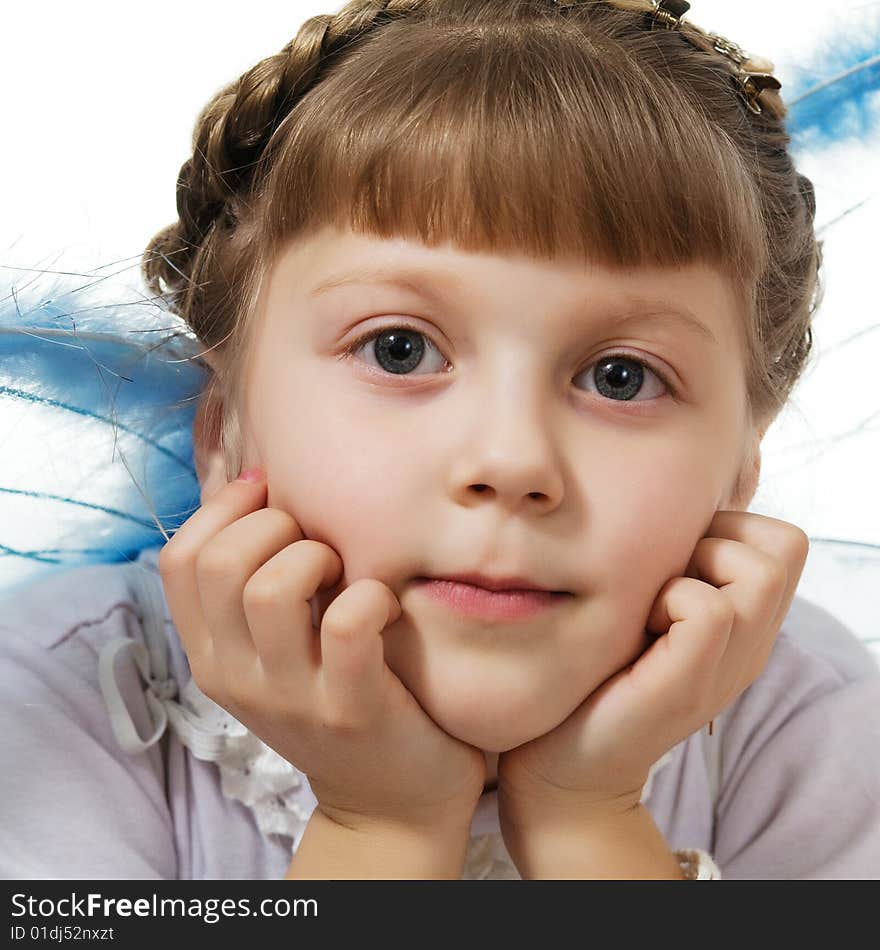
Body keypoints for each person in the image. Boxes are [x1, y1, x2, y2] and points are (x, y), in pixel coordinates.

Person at [1, 0, 878, 880]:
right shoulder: (53, 700)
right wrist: (381, 826)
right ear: (222, 428)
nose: (510, 462)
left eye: (622, 376)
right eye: (399, 349)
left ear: (738, 473)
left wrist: (588, 821)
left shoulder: (809, 722)